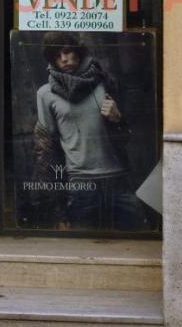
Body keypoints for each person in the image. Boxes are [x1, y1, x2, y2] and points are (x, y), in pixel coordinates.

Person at [31, 31, 145, 231]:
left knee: (137, 236)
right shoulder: (45, 94)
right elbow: (47, 153)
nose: (64, 59)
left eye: (67, 52)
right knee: (83, 246)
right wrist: (59, 209)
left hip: (117, 178)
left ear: (78, 51)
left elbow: (127, 138)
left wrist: (118, 119)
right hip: (80, 183)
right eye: (57, 56)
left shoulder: (105, 82)